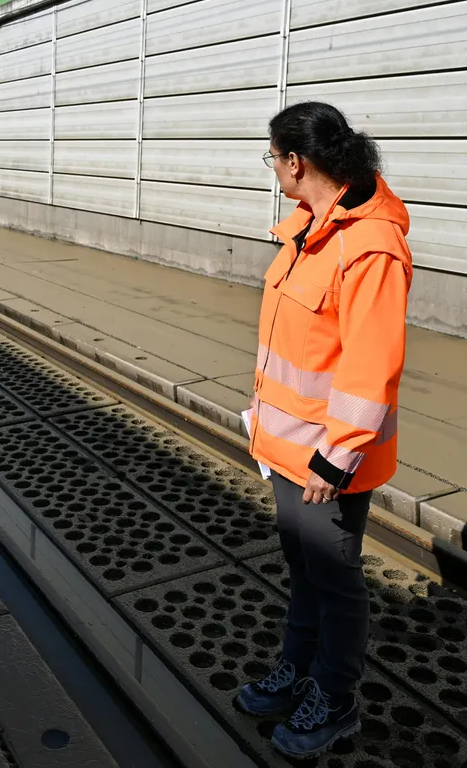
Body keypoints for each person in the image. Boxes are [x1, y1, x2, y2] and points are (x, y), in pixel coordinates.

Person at [237, 101, 412, 759]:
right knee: (305, 571)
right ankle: (297, 671)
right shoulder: (306, 230)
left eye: (272, 156)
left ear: (296, 161)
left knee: (336, 581)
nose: (273, 167)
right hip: (285, 447)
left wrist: (335, 457)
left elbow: (372, 365)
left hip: (325, 464)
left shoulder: (370, 247)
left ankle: (335, 699)